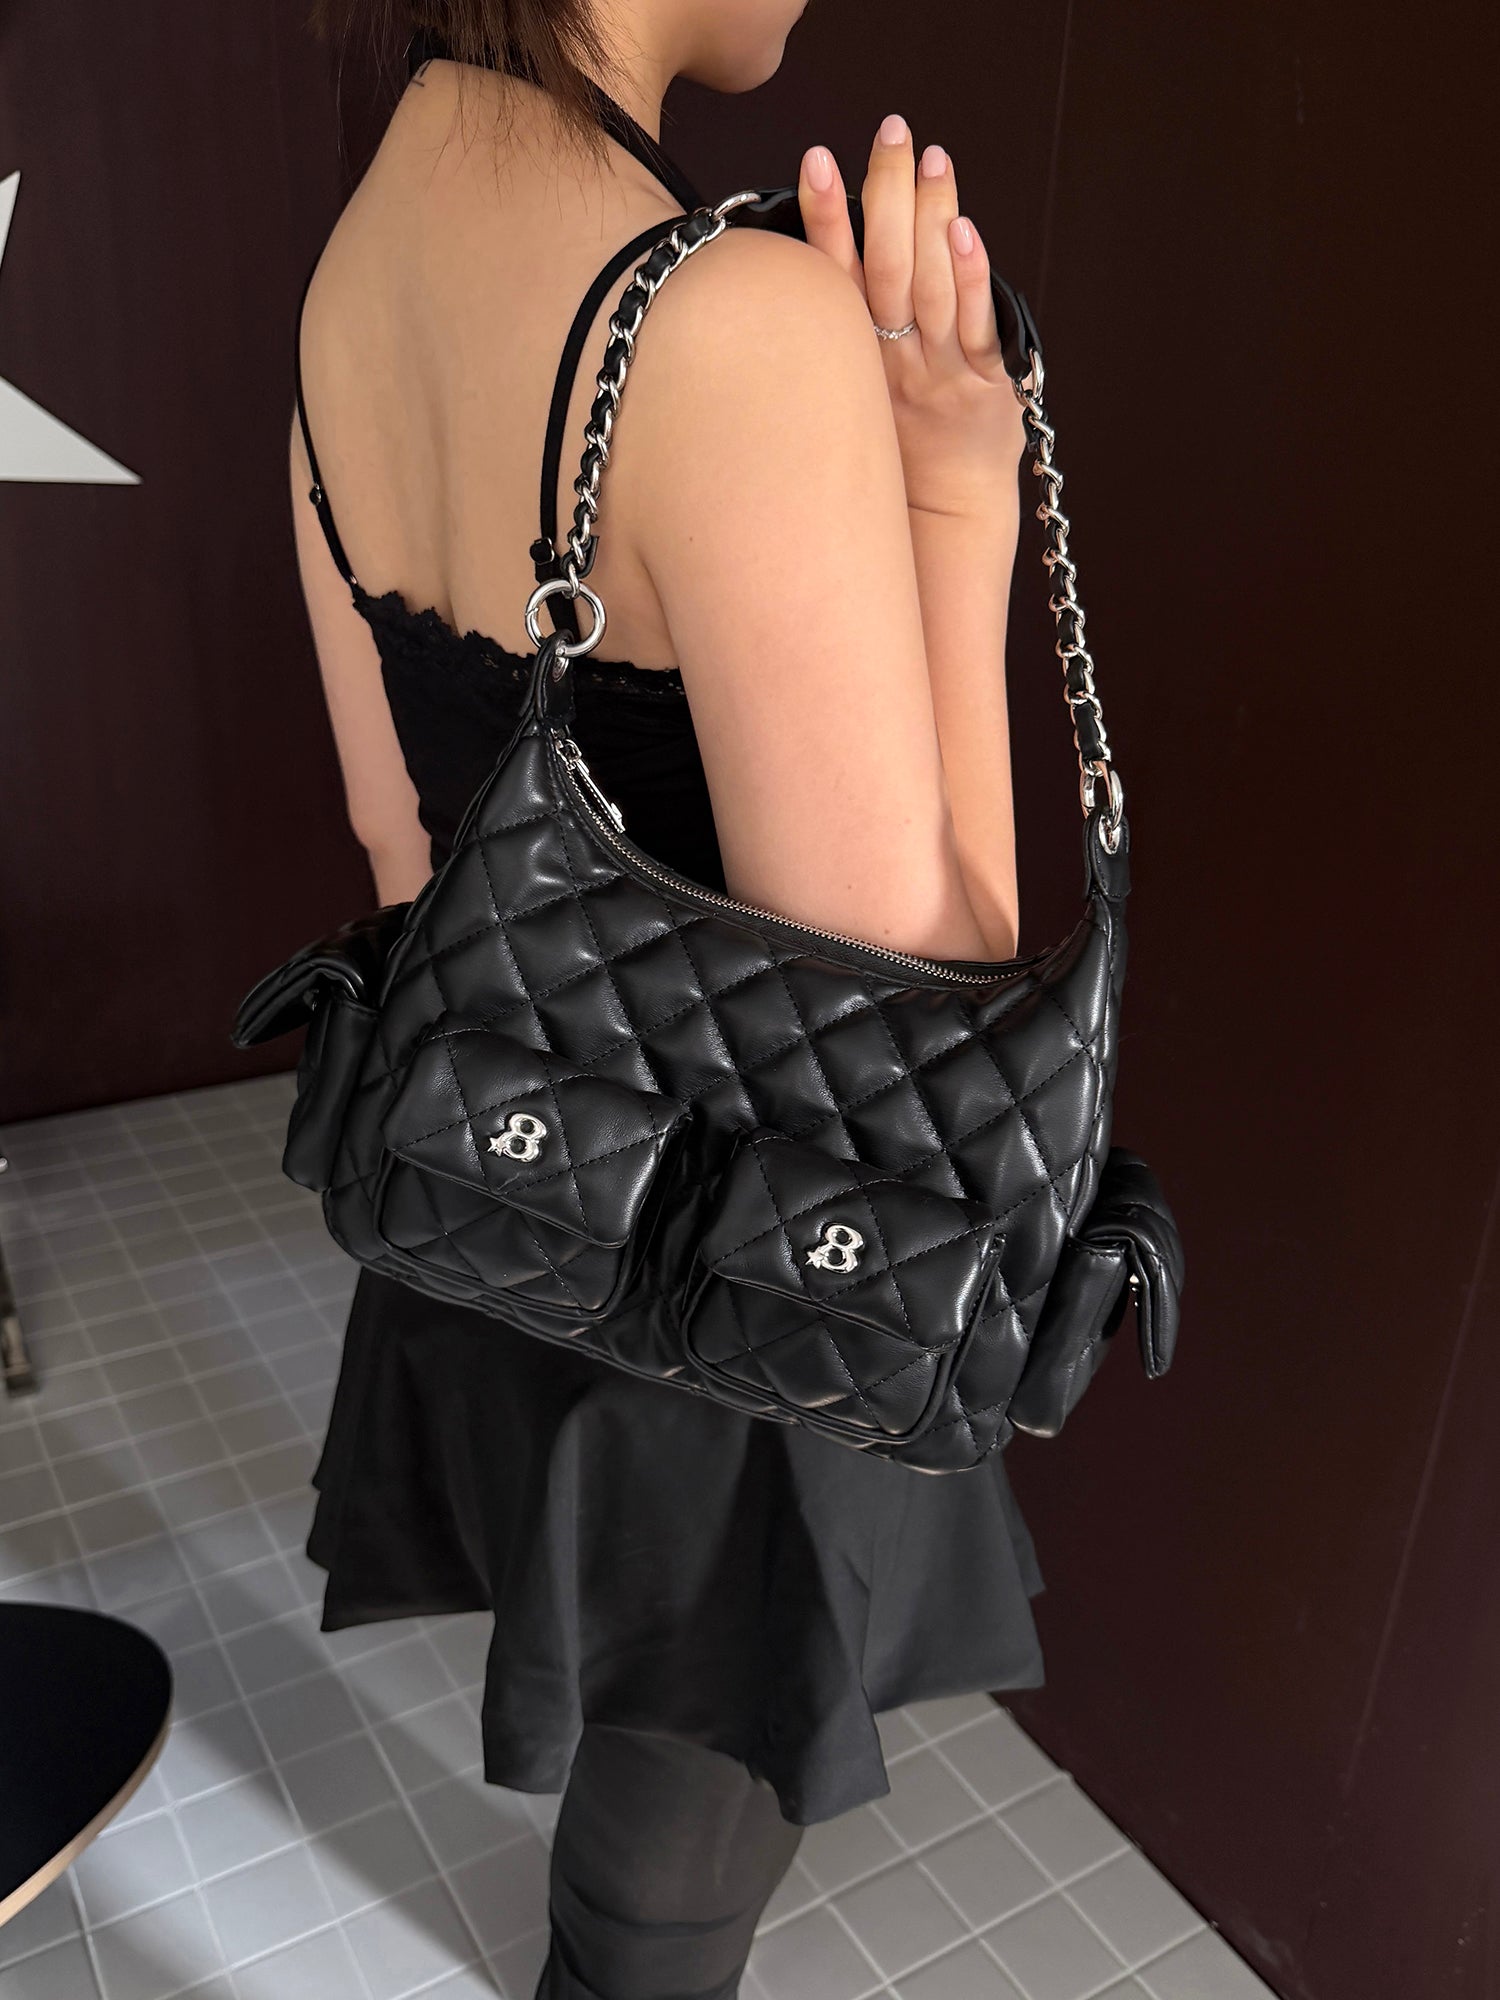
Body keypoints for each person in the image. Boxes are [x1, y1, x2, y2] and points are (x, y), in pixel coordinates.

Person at [291, 4, 1041, 1992]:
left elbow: (397, 848)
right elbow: (921, 1041)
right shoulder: (732, 323)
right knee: (660, 1902)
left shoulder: (348, 277)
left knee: (632, 1803)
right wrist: (961, 500)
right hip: (751, 1301)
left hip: (504, 1196)